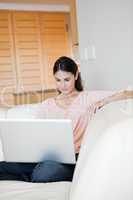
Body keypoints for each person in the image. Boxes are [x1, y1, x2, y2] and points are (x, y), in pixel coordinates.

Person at [0, 56, 133, 183]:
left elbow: (128, 93)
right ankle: (31, 175)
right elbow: (38, 135)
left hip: (73, 159)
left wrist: (105, 101)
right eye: (58, 80)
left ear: (75, 76)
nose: (62, 85)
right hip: (45, 158)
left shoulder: (88, 98)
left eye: (66, 79)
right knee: (3, 166)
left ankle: (31, 175)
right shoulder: (46, 105)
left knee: (45, 172)